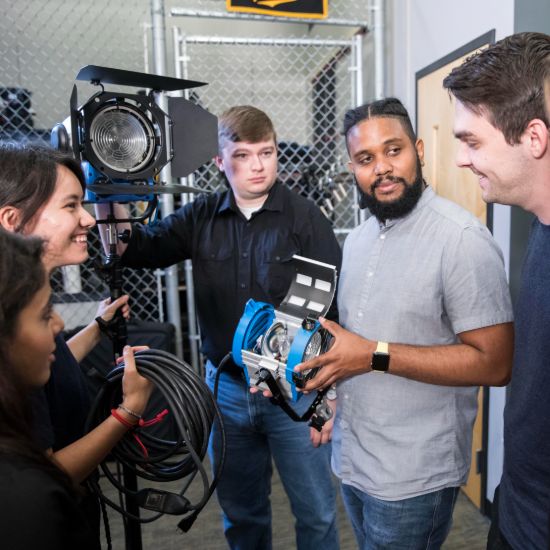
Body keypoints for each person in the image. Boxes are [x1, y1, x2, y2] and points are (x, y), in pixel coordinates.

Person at [97, 105, 342, 549]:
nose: (257, 165)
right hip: (226, 392)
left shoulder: (306, 219)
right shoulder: (200, 217)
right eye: (243, 155)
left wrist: (325, 395)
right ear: (219, 161)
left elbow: (332, 312)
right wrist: (108, 192)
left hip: (295, 390)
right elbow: (138, 250)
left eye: (266, 153)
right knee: (241, 515)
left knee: (317, 514)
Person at [294, 97, 514, 549]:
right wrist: (329, 398)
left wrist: (373, 354)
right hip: (353, 457)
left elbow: (495, 364)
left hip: (414, 475)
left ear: (418, 149)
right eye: (365, 159)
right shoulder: (355, 241)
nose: (382, 168)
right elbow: (352, 345)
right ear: (352, 168)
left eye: (394, 151)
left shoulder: (461, 241)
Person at [0, 145, 153, 548]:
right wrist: (127, 413)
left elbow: (50, 364)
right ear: (12, 220)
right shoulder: (9, 338)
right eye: (71, 206)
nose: (87, 218)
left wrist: (98, 329)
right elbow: (49, 472)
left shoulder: (21, 325)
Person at [443, 31, 550, 550]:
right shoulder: (540, 226)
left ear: (533, 137)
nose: (462, 159)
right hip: (517, 509)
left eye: (472, 141)